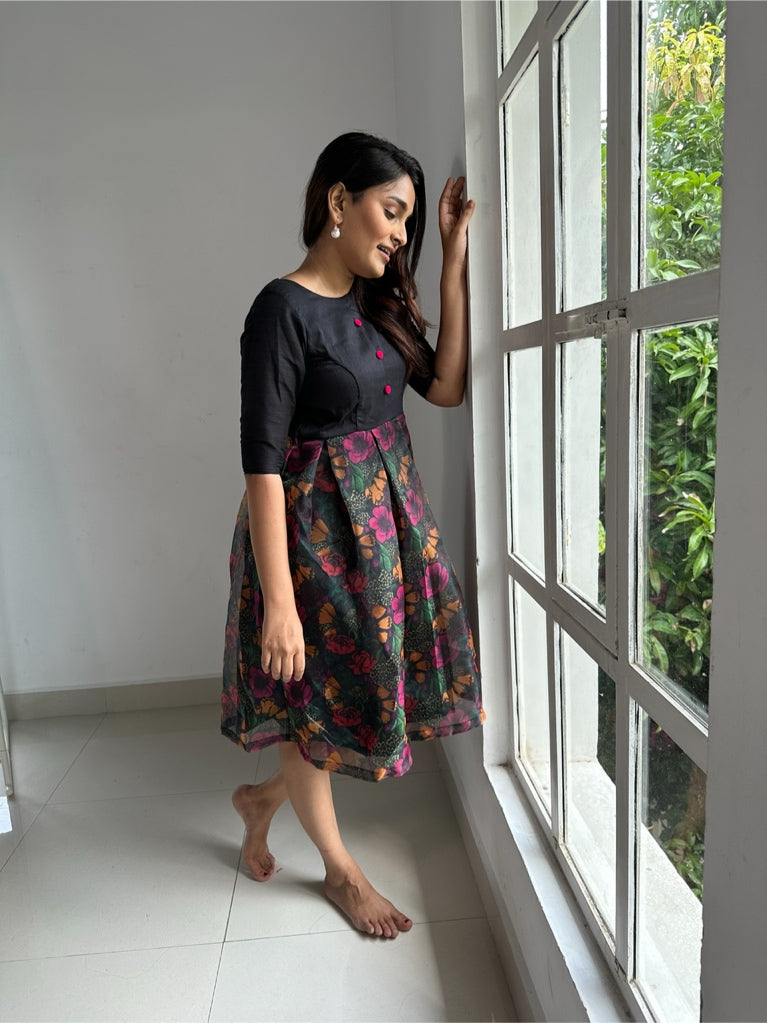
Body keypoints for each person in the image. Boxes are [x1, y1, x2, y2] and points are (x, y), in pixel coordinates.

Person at [221, 131, 483, 939]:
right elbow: (262, 466)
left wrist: (449, 259)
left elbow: (446, 386)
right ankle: (341, 871)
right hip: (310, 543)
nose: (399, 232)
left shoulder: (377, 302)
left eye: (407, 219)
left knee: (351, 694)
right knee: (309, 701)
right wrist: (278, 602)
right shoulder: (281, 309)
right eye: (390, 212)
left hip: (385, 531)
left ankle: (261, 800)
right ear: (339, 201)